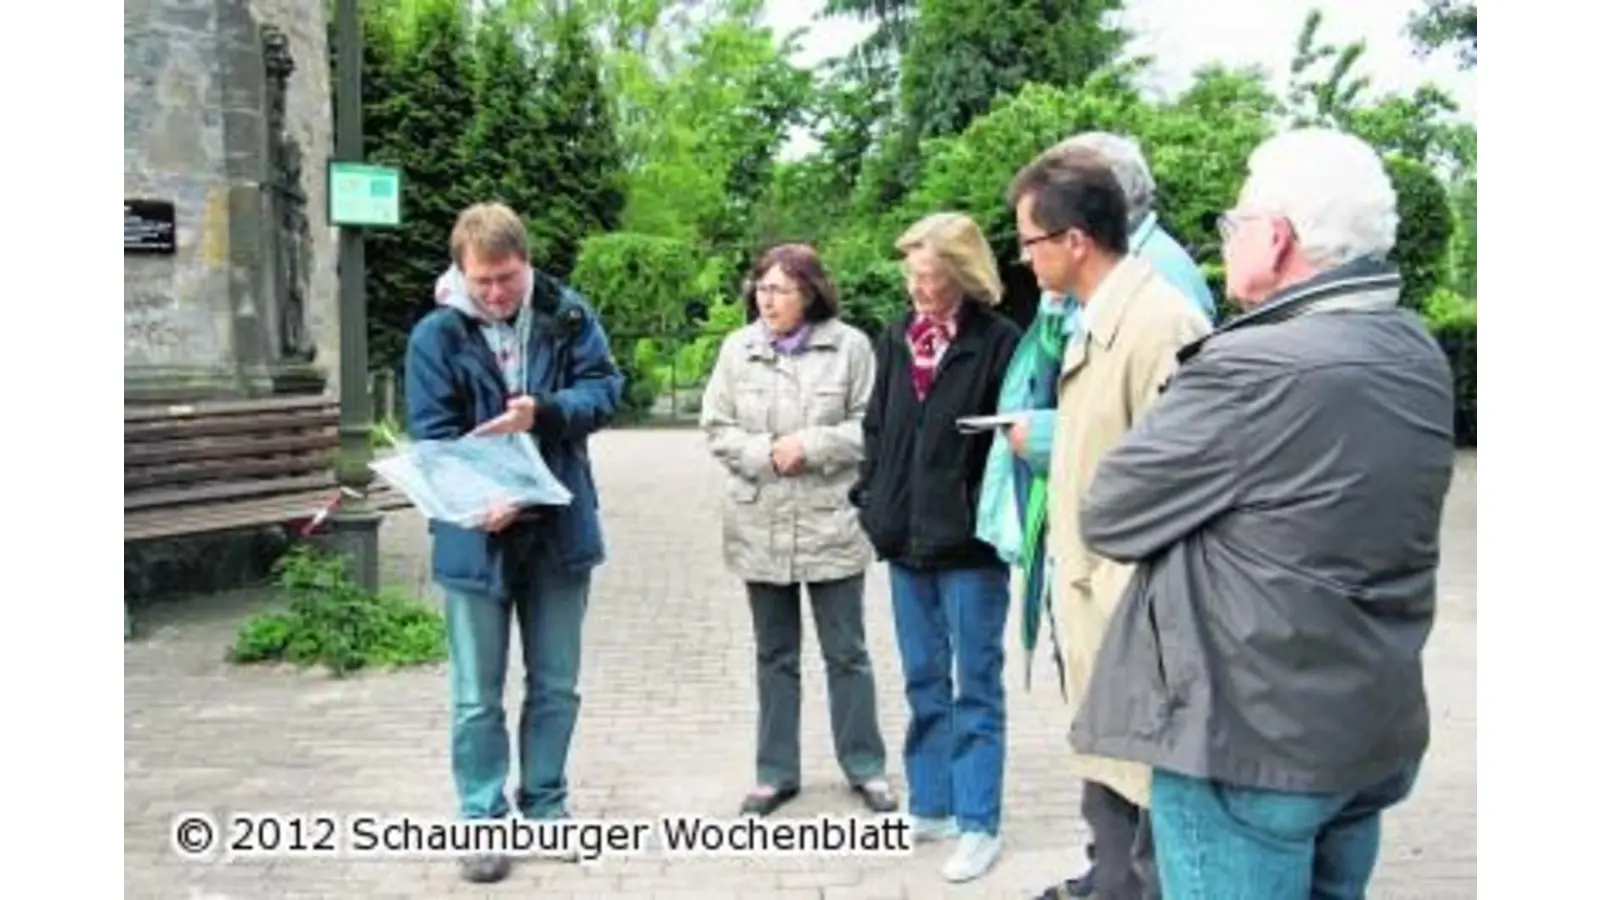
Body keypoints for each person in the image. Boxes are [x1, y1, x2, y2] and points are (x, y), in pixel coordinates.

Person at [1070, 127, 1456, 899]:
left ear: (1275, 238)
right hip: (1365, 727)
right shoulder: (1414, 349)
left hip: (1248, 740)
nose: (1226, 239)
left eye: (1233, 222)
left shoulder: (1253, 366)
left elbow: (1109, 512)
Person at [984, 131, 1215, 900]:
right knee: (1116, 822)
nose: (1024, 259)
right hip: (1102, 613)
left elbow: (1185, 491)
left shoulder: (1163, 321)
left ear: (1075, 241)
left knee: (1156, 843)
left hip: (1138, 626)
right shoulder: (1092, 314)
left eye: (1030, 242)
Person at [404, 202, 624, 884]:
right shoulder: (436, 335)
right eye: (483, 281)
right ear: (460, 273)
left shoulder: (567, 314)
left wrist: (546, 412)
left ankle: (546, 806)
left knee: (556, 684)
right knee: (476, 694)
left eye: (507, 277)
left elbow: (608, 389)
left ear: (525, 262)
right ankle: (480, 816)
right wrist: (478, 502)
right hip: (479, 536)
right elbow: (433, 436)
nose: (496, 294)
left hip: (557, 528)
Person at [698, 243, 898, 819]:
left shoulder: (851, 347)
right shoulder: (738, 349)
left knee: (847, 653)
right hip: (758, 521)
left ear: (809, 292)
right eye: (761, 288)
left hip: (831, 520)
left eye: (779, 289)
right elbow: (717, 426)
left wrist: (809, 447)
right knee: (774, 654)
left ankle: (865, 766)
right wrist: (765, 452)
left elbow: (873, 426)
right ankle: (774, 773)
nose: (767, 299)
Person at [851, 211, 1021, 884]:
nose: (920, 289)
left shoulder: (1001, 341)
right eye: (914, 275)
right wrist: (872, 500)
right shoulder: (896, 337)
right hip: (904, 540)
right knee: (924, 678)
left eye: (933, 276)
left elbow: (1008, 446)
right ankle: (932, 805)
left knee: (975, 685)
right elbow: (877, 427)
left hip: (969, 546)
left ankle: (980, 823)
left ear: (964, 273)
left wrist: (974, 508)